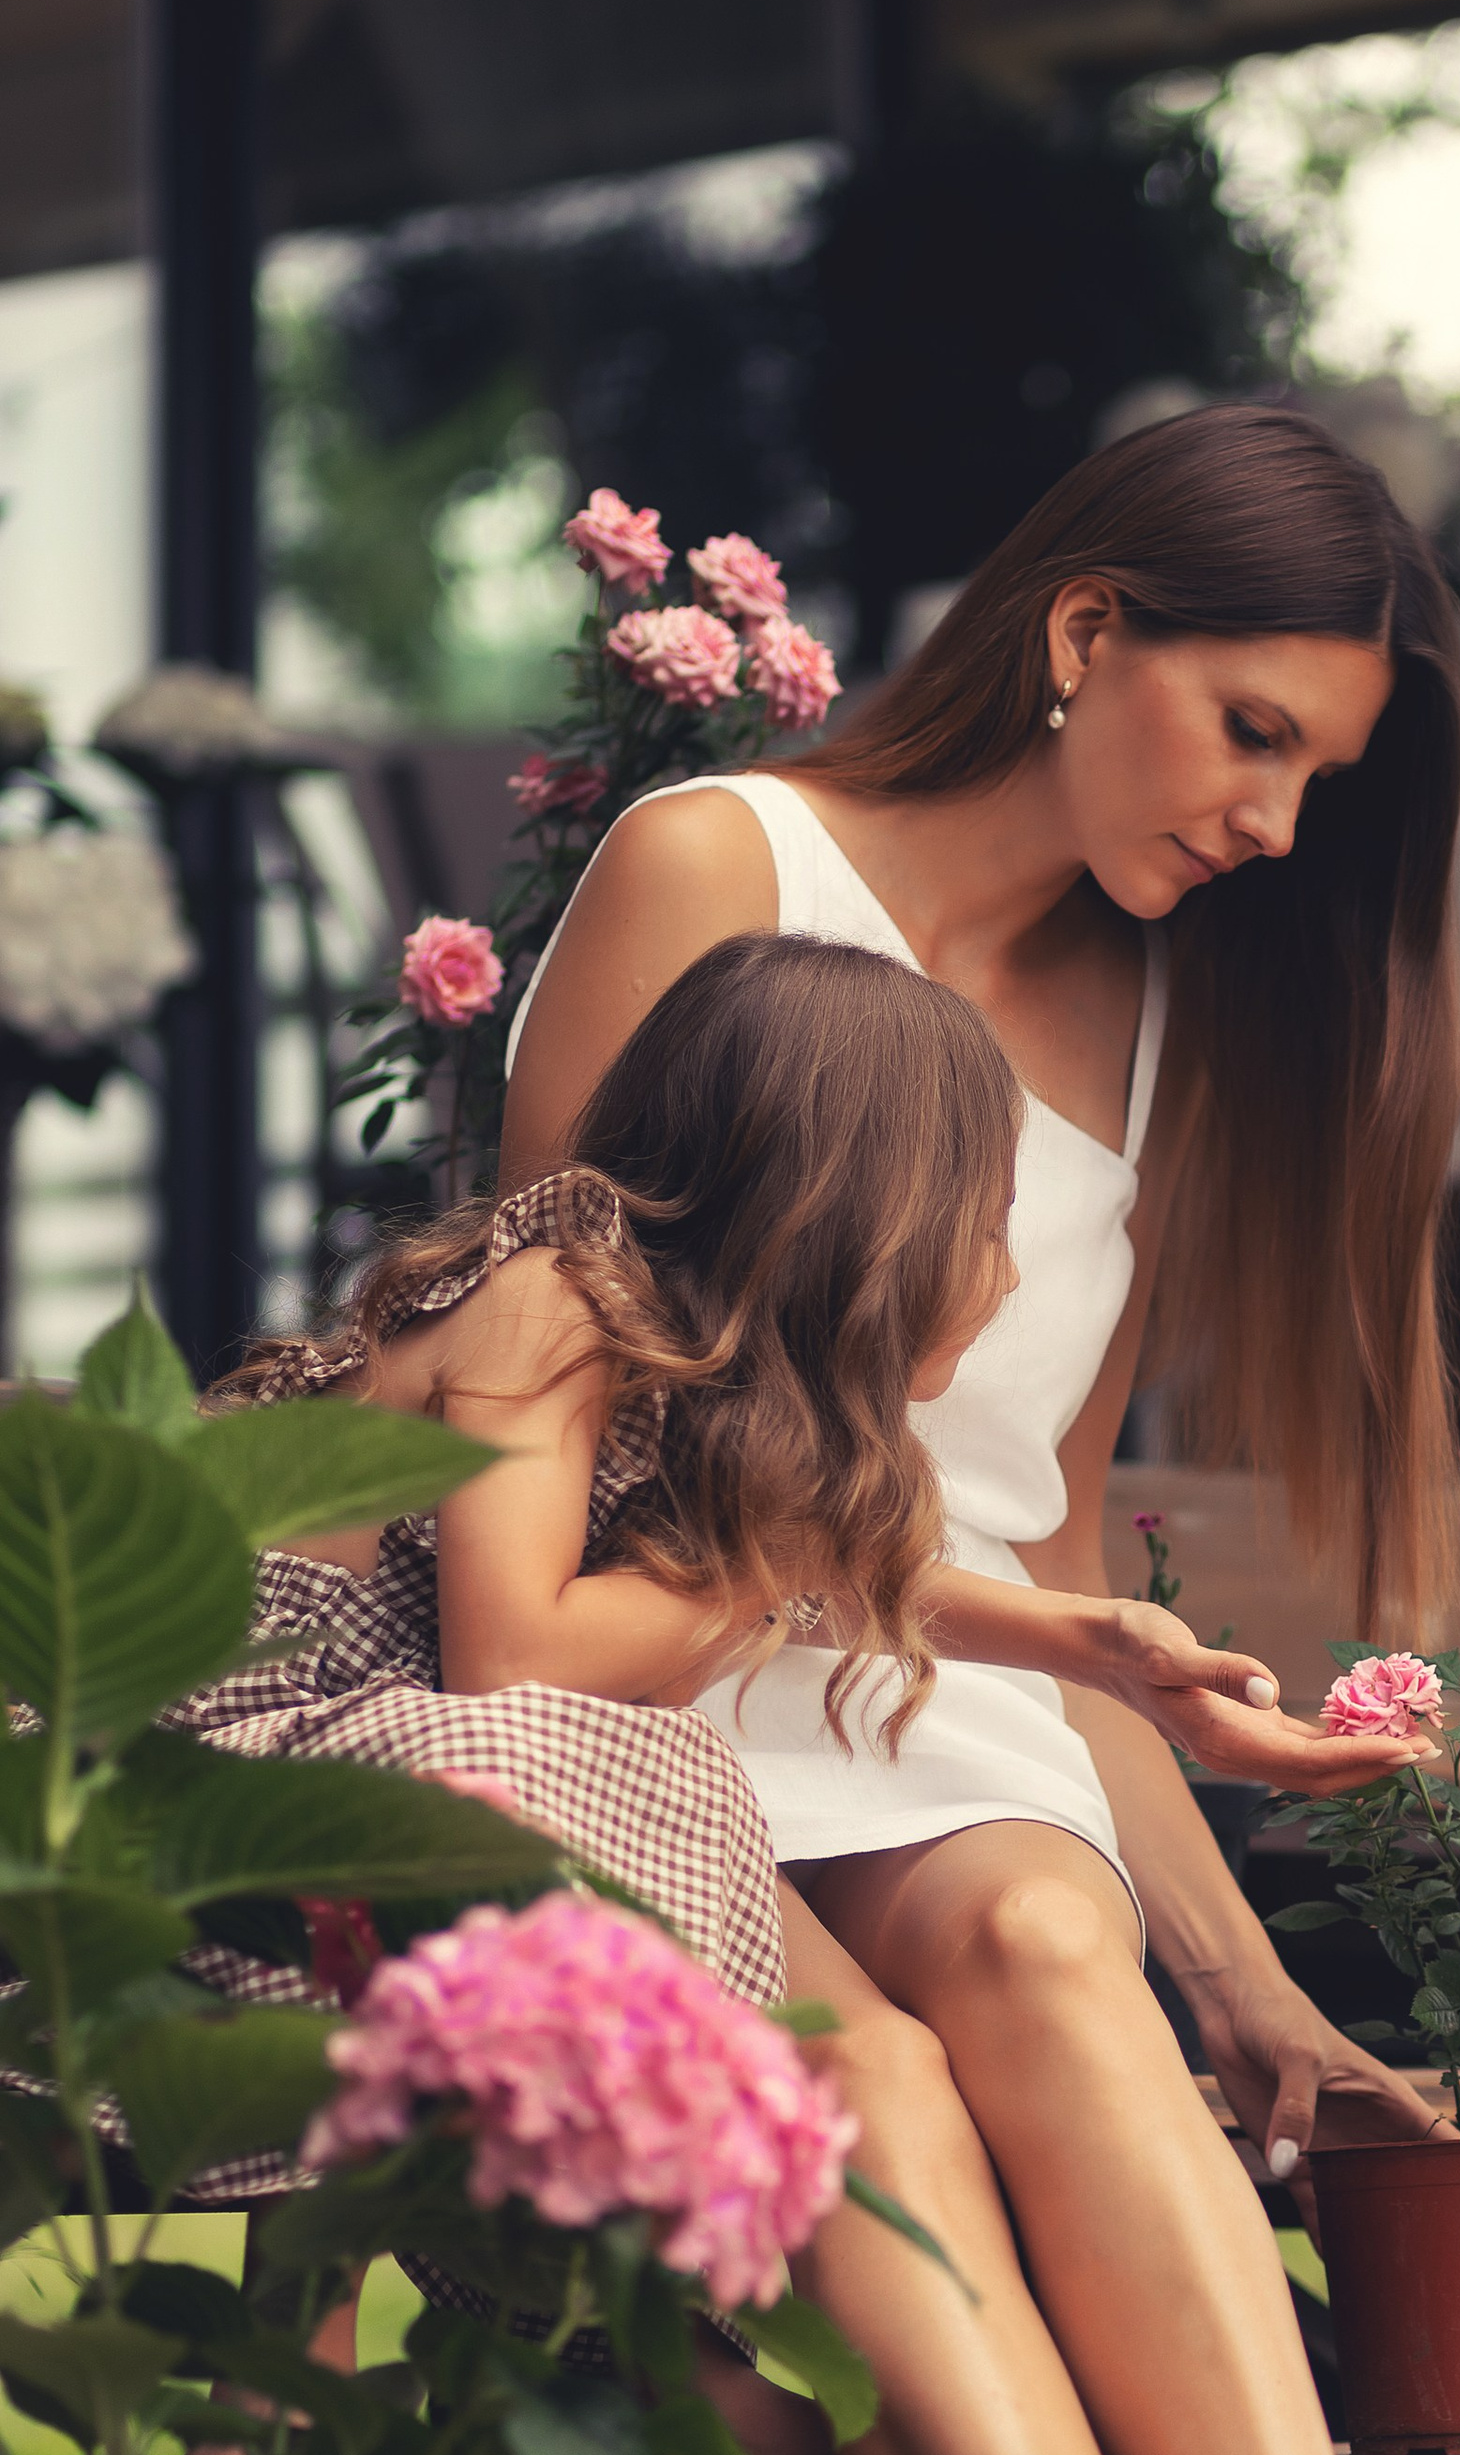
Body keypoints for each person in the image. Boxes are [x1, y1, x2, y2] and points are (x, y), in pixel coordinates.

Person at [502, 405, 1460, 2455]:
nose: (1280, 823)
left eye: (1325, 774)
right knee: (856, 2087)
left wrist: (1254, 1991)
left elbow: (1035, 1561)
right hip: (648, 1655)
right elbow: (557, 1372)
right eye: (1252, 733)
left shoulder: (1163, 1035)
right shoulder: (721, 867)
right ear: (1087, 637)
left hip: (957, 1705)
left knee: (1052, 1929)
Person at [171, 929, 1338, 2234]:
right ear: (870, 1218)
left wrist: (1105, 1646)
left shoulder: (671, 1357)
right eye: (995, 1227)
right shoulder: (554, 1298)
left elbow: (841, 1576)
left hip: (330, 1788)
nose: (1008, 1282)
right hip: (179, 1771)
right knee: (678, 1817)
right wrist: (770, 1558)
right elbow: (510, 1666)